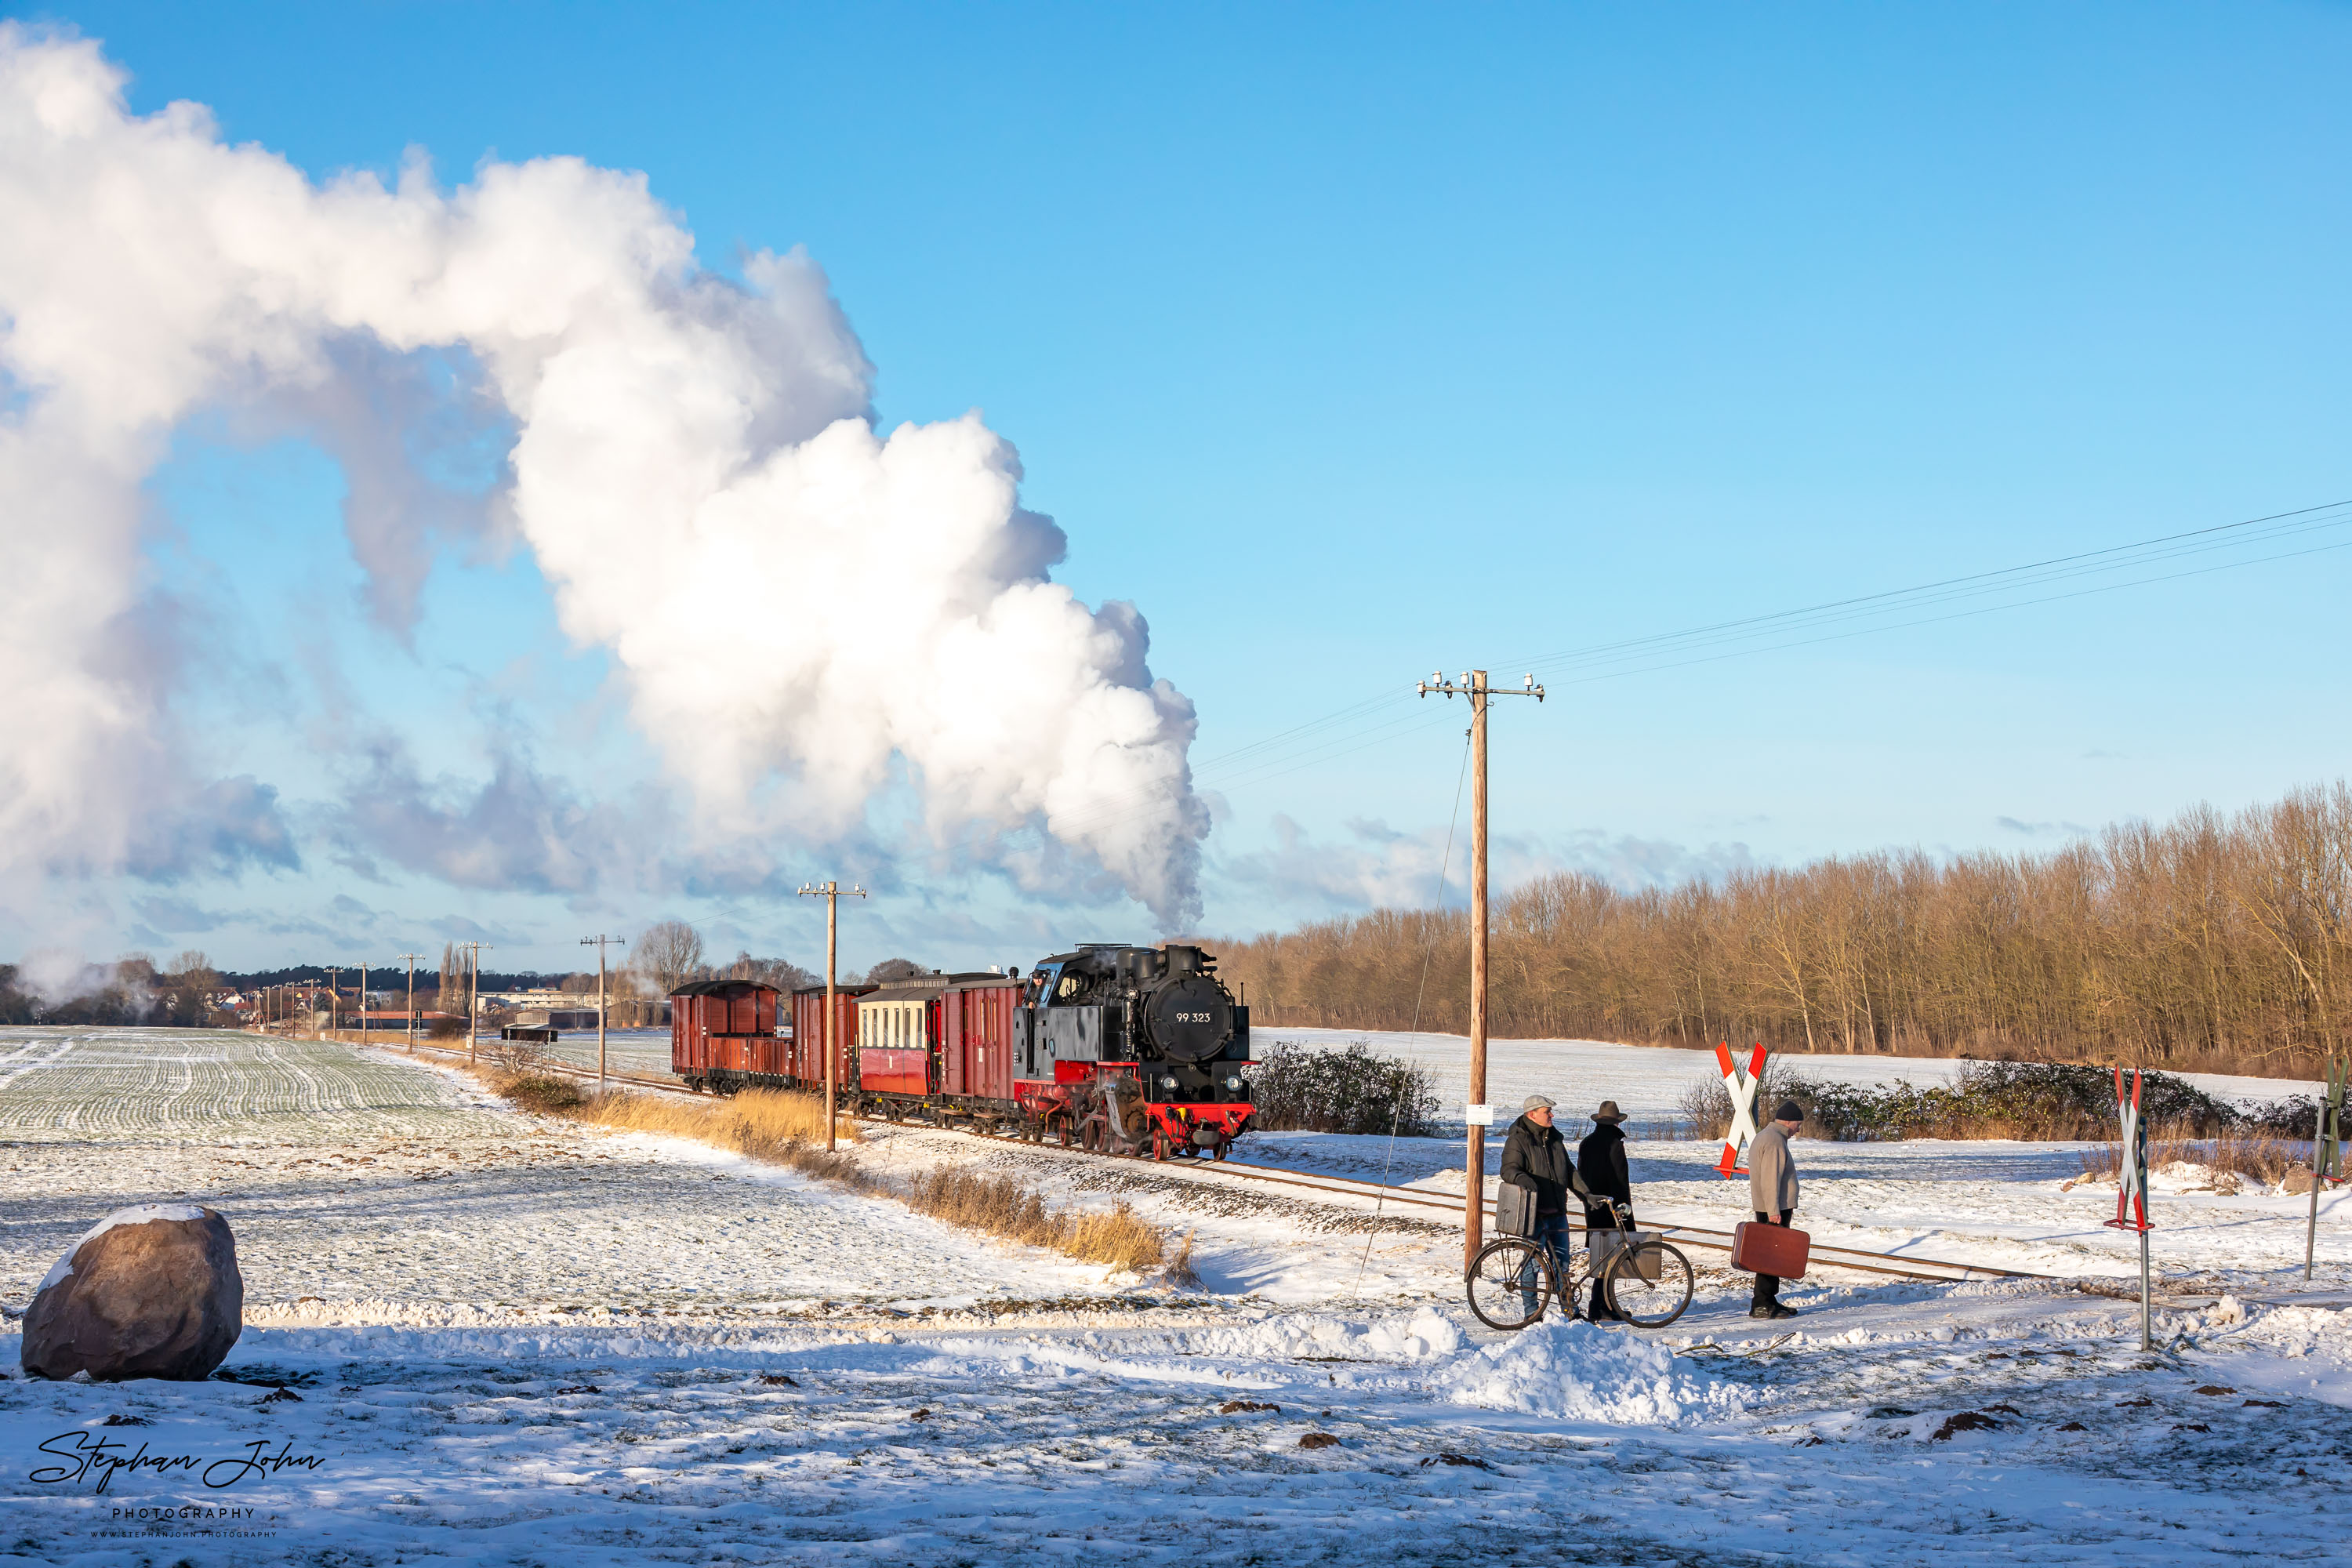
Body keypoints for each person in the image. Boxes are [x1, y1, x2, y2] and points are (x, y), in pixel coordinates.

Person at [1499, 1093, 1581, 1316]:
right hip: (1533, 1214)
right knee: (1532, 1264)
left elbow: (1569, 1171)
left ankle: (1569, 1310)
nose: (1551, 1115)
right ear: (1532, 1114)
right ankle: (1532, 1312)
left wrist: (1587, 1194)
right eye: (1547, 1112)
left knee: (1562, 1263)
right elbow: (1508, 1169)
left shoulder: (1554, 1139)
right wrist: (1522, 1178)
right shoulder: (1518, 1139)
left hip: (1557, 1212)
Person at [1748, 1100, 1804, 1319]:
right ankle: (1762, 1303)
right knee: (1770, 1258)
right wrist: (1774, 1211)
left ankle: (1768, 1301)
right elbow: (1771, 1179)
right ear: (1788, 1122)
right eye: (1798, 1125)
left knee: (1770, 1257)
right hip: (1774, 1209)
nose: (1798, 1130)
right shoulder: (1774, 1141)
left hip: (1771, 1208)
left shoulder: (1769, 1136)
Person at [1578, 1100, 1633, 1320]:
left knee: (1602, 1258)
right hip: (1613, 1208)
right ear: (1616, 1124)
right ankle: (1601, 1306)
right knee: (1612, 1259)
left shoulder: (1587, 1143)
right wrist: (1624, 1209)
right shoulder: (1614, 1144)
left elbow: (1581, 1173)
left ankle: (1600, 1306)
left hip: (1593, 1207)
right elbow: (1620, 1180)